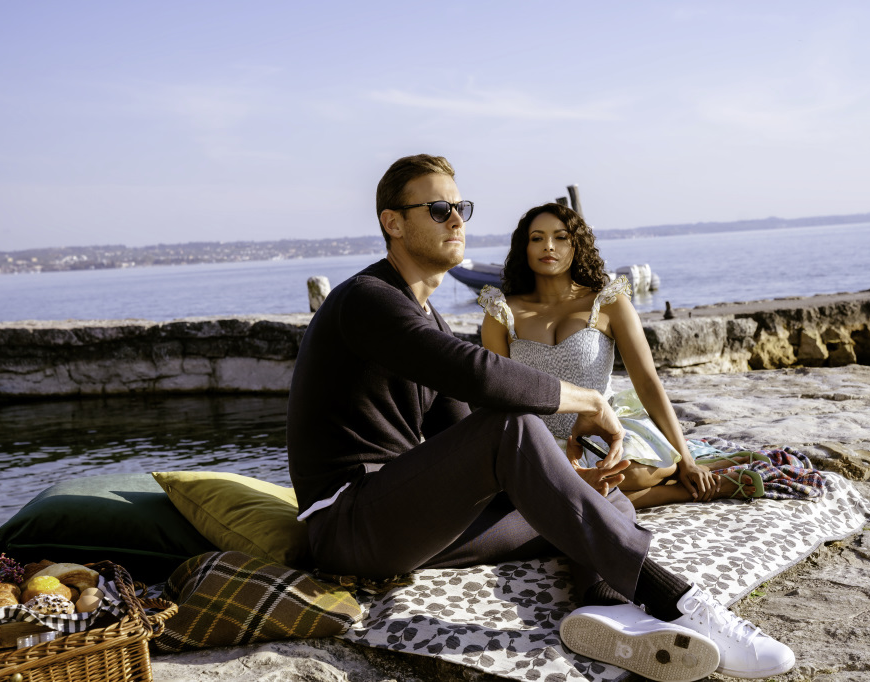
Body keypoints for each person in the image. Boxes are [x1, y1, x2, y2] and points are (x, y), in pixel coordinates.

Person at [286, 154, 795, 681]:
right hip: (350, 523)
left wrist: (561, 480)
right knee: (510, 423)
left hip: (410, 527)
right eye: (438, 209)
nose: (457, 219)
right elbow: (482, 379)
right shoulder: (366, 300)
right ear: (393, 223)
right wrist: (589, 401)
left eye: (461, 207)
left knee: (600, 494)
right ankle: (678, 601)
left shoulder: (426, 316)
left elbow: (457, 431)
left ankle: (604, 607)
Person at [479, 203, 827, 509]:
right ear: (524, 247)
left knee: (629, 473)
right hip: (539, 439)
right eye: (537, 238)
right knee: (556, 486)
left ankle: (682, 471)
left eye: (560, 237)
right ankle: (693, 490)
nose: (548, 246)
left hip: (606, 431)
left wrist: (686, 459)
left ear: (576, 245)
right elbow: (498, 394)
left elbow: (646, 381)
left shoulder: (608, 303)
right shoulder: (501, 312)